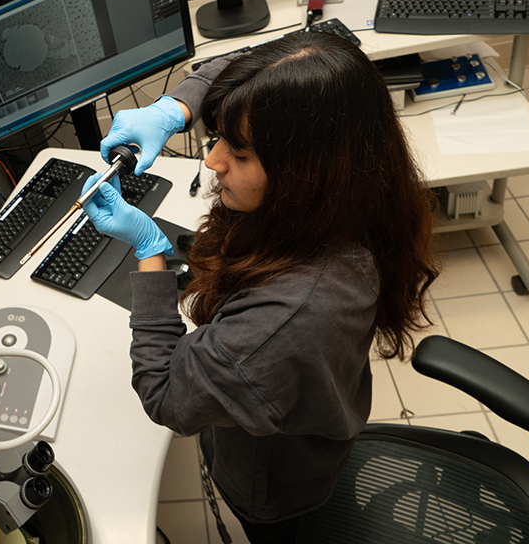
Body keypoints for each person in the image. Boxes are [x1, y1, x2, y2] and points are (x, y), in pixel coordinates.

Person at [82, 31, 440, 543]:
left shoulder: (283, 320)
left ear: (305, 173)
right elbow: (260, 65)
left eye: (242, 153)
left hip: (273, 485)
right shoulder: (350, 186)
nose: (213, 161)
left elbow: (166, 395)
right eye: (220, 137)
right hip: (302, 407)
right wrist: (176, 108)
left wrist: (149, 250)